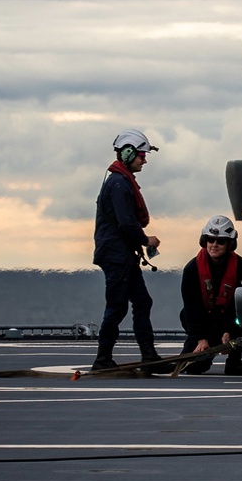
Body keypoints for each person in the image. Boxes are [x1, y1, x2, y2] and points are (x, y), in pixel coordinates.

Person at [91, 128, 166, 372]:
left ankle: (149, 355)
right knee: (117, 307)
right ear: (127, 153)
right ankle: (103, 359)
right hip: (117, 256)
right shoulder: (119, 184)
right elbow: (126, 222)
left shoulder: (120, 181)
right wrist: (146, 240)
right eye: (141, 155)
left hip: (121, 255)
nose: (144, 159)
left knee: (142, 301)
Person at [179, 215, 242, 374]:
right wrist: (201, 338)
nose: (214, 245)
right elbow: (192, 309)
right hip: (204, 322)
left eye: (220, 241)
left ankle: (234, 360)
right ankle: (200, 348)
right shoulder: (191, 270)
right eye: (210, 240)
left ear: (230, 244)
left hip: (231, 320)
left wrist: (228, 331)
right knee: (194, 368)